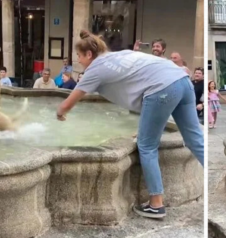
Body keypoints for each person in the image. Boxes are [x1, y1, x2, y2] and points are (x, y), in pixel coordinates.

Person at [58, 31, 204, 220]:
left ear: (88, 55)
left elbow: (67, 104)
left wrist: (58, 114)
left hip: (162, 89)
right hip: (182, 81)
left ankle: (156, 204)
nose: (78, 60)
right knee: (194, 138)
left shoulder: (94, 69)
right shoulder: (118, 55)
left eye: (79, 55)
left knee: (147, 146)